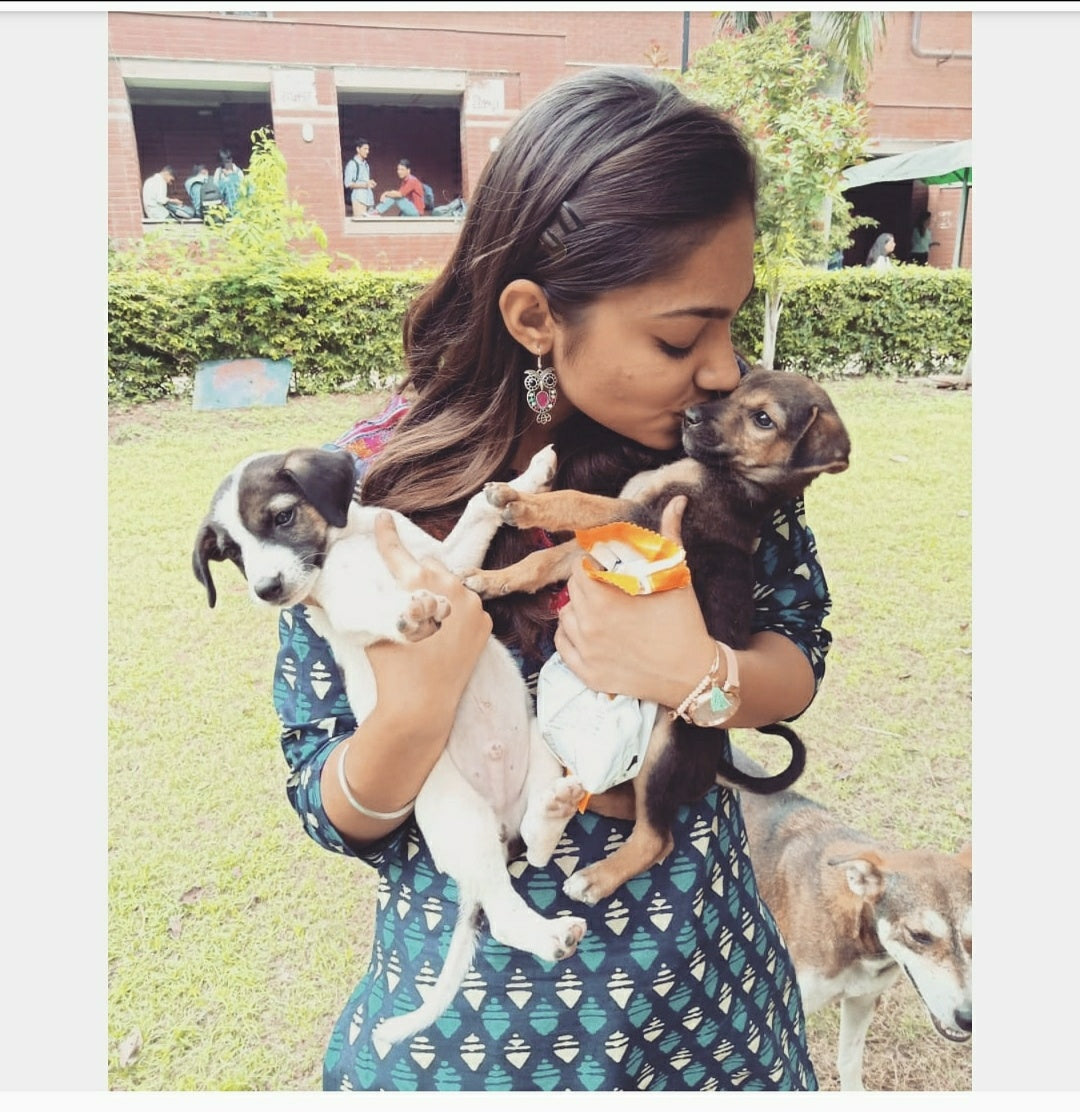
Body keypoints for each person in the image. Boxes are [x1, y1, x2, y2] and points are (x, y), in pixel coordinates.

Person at [275, 67, 832, 1092]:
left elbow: (798, 651)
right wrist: (416, 709)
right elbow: (326, 800)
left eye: (731, 324)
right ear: (536, 319)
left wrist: (701, 670)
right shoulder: (368, 504)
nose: (722, 369)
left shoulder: (728, 468)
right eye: (680, 334)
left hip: (714, 1004)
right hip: (481, 1029)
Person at [345, 138, 377, 218]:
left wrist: (370, 182)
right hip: (359, 198)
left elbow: (364, 180)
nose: (367, 151)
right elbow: (348, 183)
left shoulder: (366, 164)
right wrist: (365, 185)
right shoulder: (352, 164)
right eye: (365, 149)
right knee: (360, 224)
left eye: (368, 149)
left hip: (368, 198)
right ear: (358, 149)